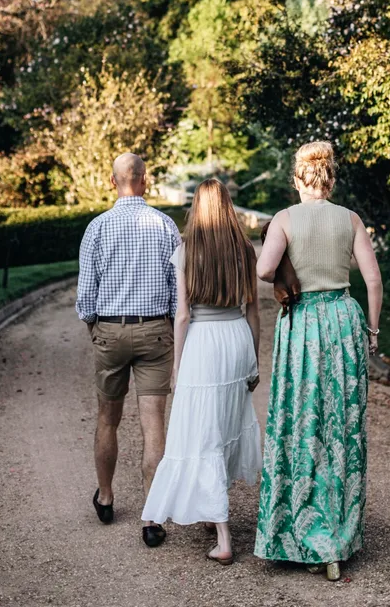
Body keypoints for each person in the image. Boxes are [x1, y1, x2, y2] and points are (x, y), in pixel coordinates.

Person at [254, 141, 383, 582]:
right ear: (330, 179)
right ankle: (338, 534)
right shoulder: (350, 219)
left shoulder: (286, 219)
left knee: (301, 419)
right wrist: (373, 330)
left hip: (304, 323)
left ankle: (295, 531)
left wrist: (289, 264)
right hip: (344, 320)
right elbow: (372, 279)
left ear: (297, 180)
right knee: (340, 424)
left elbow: (263, 270)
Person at [142, 178, 262, 565]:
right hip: (236, 338)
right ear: (227, 206)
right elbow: (253, 310)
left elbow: (181, 315)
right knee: (224, 424)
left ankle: (224, 539)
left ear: (197, 208)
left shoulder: (187, 249)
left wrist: (176, 366)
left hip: (204, 344)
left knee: (203, 433)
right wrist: (254, 359)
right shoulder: (244, 249)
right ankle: (214, 513)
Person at [75, 152, 181, 548]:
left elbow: (86, 295)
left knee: (108, 418)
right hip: (155, 331)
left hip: (111, 329)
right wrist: (167, 326)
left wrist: (96, 328)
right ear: (144, 180)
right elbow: (177, 291)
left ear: (112, 180)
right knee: (153, 423)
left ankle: (105, 497)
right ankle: (152, 518)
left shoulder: (97, 227)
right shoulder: (165, 225)